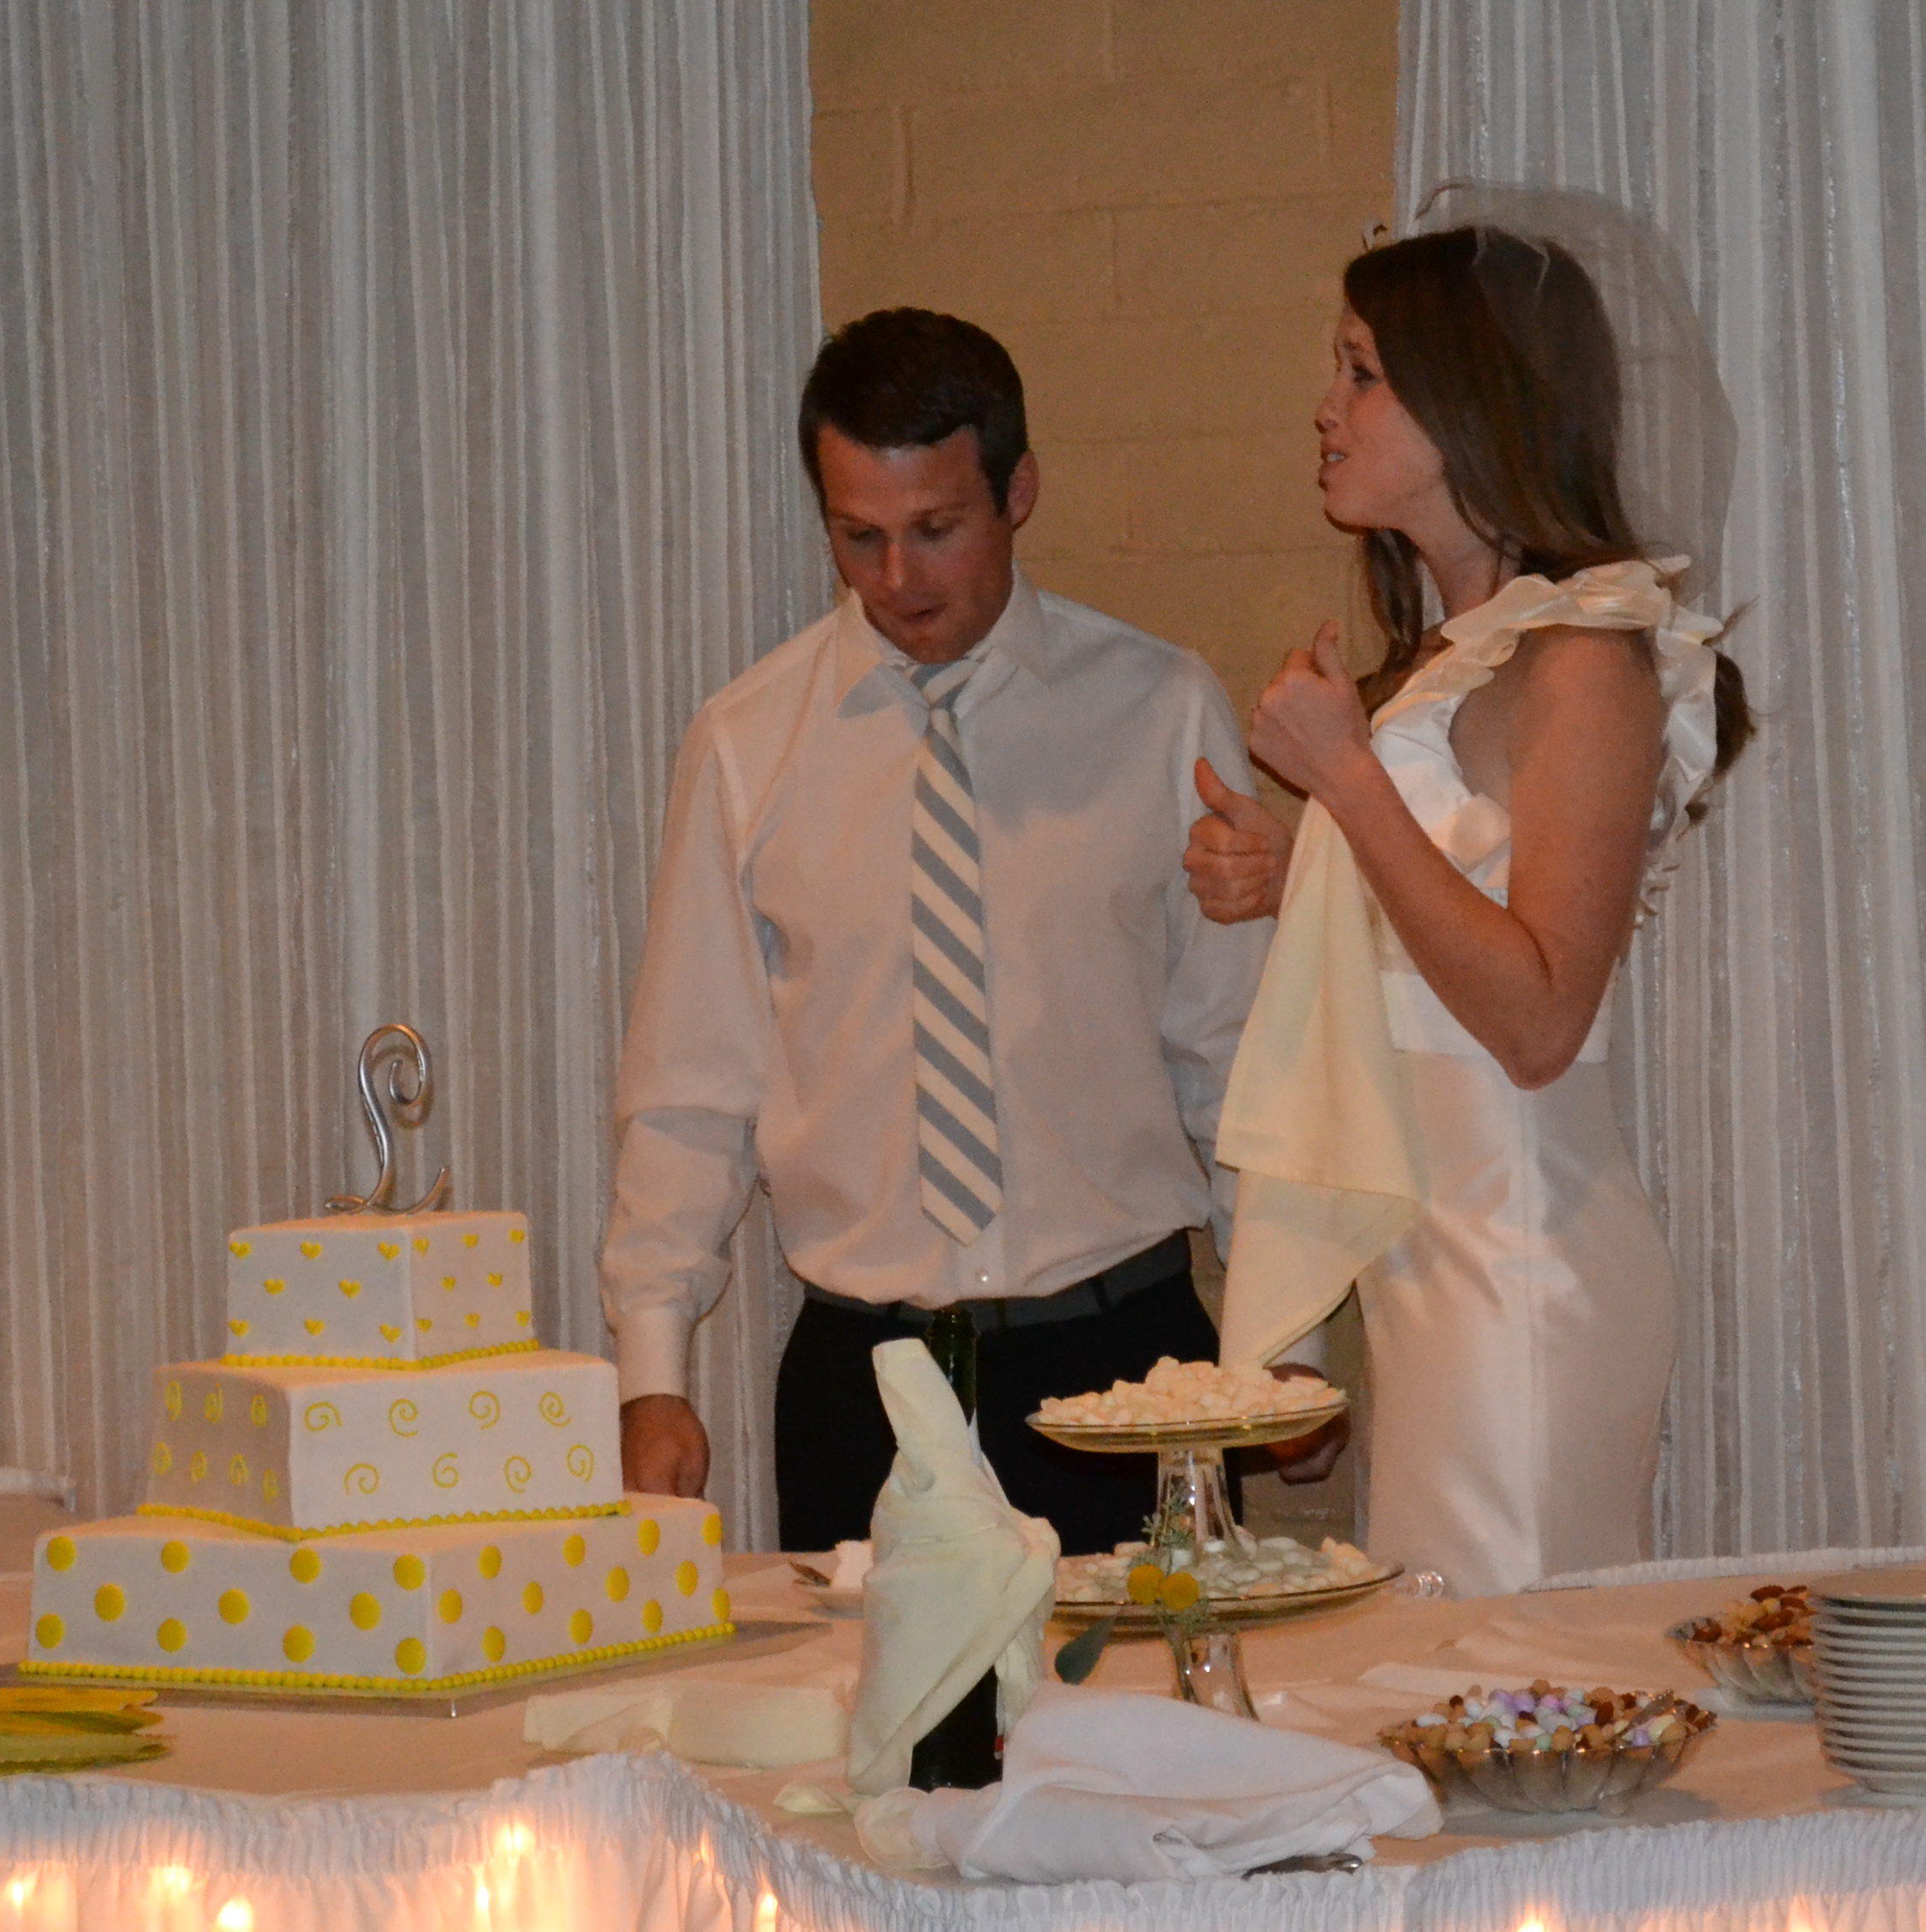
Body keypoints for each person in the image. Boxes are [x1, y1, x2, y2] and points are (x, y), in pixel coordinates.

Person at [599, 308, 1283, 1555]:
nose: (898, 580)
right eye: (858, 537)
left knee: (1151, 1690)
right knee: (866, 1695)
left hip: (1126, 1367)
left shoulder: (1160, 711)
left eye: (936, 529)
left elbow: (1236, 1057)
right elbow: (692, 1081)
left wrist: (1285, 1336)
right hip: (863, 1380)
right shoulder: (749, 743)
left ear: (1018, 493)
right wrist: (652, 1370)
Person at [1186, 195, 1751, 1596]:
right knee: (1449, 1669)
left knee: (1506, 1670)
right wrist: (1295, 878)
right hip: (1435, 1269)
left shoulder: (1583, 660)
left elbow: (1540, 1017)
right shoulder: (1458, 660)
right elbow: (1439, 942)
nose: (1327, 409)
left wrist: (1347, 786)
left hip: (1521, 1270)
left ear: (1470, 402)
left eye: (1363, 372)